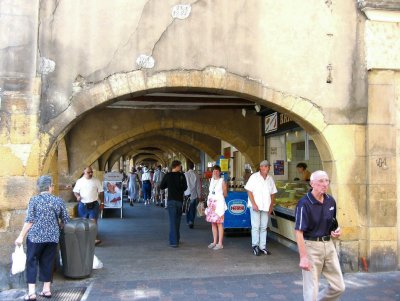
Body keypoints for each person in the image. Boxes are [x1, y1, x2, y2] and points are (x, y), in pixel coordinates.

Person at [15, 175, 70, 301]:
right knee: (48, 262)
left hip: (35, 237)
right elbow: (65, 219)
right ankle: (46, 290)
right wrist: (58, 227)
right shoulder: (58, 200)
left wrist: (21, 236)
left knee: (32, 262)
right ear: (50, 186)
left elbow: (29, 221)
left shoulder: (34, 200)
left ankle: (32, 293)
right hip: (52, 237)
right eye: (52, 186)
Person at [294, 170, 345, 300]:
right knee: (312, 290)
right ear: (312, 183)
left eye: (327, 180)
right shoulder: (304, 203)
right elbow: (298, 231)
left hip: (329, 246)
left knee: (339, 287)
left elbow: (332, 223)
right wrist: (303, 257)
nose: (325, 184)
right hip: (311, 247)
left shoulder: (330, 201)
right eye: (321, 181)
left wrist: (335, 231)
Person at [245, 160, 277, 256]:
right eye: (264, 166)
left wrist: (271, 206)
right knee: (255, 227)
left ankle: (262, 247)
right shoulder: (254, 177)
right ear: (260, 167)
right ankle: (255, 245)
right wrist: (254, 204)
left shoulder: (270, 179)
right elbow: (249, 191)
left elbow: (273, 193)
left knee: (264, 227)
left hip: (266, 206)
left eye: (267, 166)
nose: (266, 168)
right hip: (256, 206)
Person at [73, 166, 104, 245]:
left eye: (91, 172)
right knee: (84, 222)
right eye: (88, 172)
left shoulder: (96, 181)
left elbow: (101, 192)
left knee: (93, 222)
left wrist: (102, 203)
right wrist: (77, 196)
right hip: (83, 205)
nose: (90, 173)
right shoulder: (79, 181)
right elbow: (75, 191)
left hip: (94, 204)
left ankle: (94, 239)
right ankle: (85, 238)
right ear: (84, 172)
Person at [160, 160, 187, 247]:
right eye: (180, 166)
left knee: (172, 221)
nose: (180, 167)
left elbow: (162, 186)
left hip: (171, 200)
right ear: (177, 166)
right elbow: (185, 187)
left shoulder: (168, 175)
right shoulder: (182, 175)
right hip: (179, 200)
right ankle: (177, 238)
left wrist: (169, 185)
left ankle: (174, 241)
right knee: (178, 221)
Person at [205, 165, 228, 250]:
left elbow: (225, 194)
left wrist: (219, 199)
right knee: (213, 223)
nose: (215, 172)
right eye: (214, 171)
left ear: (220, 172)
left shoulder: (222, 181)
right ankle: (214, 241)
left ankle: (220, 243)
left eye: (217, 171)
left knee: (219, 223)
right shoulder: (211, 180)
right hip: (211, 204)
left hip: (218, 205)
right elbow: (210, 191)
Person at [184, 162, 201, 228]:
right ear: (193, 167)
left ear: (188, 167)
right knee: (192, 208)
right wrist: (199, 196)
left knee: (187, 208)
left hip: (186, 193)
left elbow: (183, 185)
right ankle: (191, 221)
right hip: (194, 194)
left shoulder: (185, 174)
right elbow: (198, 186)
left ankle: (188, 221)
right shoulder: (196, 175)